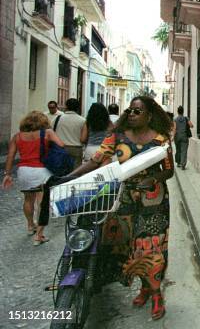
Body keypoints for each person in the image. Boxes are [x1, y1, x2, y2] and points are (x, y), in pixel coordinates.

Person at [70, 96, 174, 320]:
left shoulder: (160, 139)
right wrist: (69, 177)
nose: (133, 114)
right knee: (126, 245)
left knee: (150, 246)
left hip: (153, 200)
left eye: (138, 111)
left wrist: (154, 178)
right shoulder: (116, 136)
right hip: (123, 197)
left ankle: (155, 293)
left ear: (149, 115)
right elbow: (96, 160)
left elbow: (169, 171)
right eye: (131, 110)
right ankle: (143, 287)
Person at [2, 111, 65, 245]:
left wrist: (7, 174)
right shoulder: (47, 133)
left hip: (23, 170)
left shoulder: (17, 137)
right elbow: (61, 145)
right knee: (42, 202)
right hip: (42, 170)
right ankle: (39, 235)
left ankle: (30, 225)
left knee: (28, 199)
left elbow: (10, 156)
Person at [54, 98, 86, 168]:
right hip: (76, 149)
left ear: (66, 106)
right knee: (75, 173)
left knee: (61, 170)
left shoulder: (57, 118)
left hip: (60, 149)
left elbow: (52, 133)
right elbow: (83, 139)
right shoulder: (83, 120)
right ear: (78, 107)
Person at [173, 106, 193, 170]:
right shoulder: (186, 118)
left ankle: (178, 163)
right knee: (184, 151)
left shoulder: (175, 119)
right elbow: (191, 125)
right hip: (184, 136)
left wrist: (172, 137)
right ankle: (183, 165)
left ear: (177, 111)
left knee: (178, 150)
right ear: (183, 111)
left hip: (177, 137)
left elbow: (175, 129)